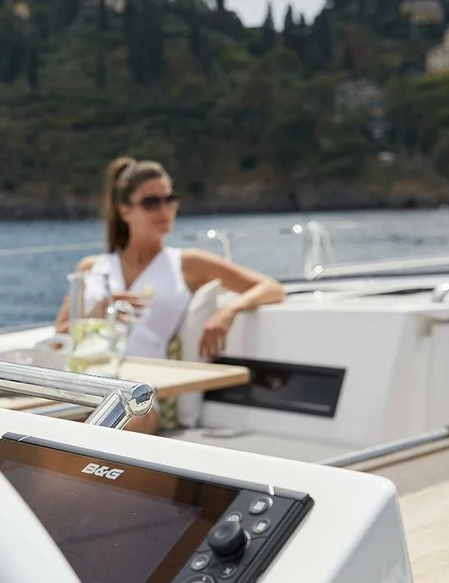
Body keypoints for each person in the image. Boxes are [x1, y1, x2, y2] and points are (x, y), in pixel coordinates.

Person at [54, 156, 285, 434]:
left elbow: (270, 287)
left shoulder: (187, 264)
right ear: (124, 210)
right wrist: (100, 312)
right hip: (83, 383)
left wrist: (228, 311)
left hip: (139, 396)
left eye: (169, 199)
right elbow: (59, 337)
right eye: (151, 202)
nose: (164, 210)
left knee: (96, 435)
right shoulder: (90, 268)